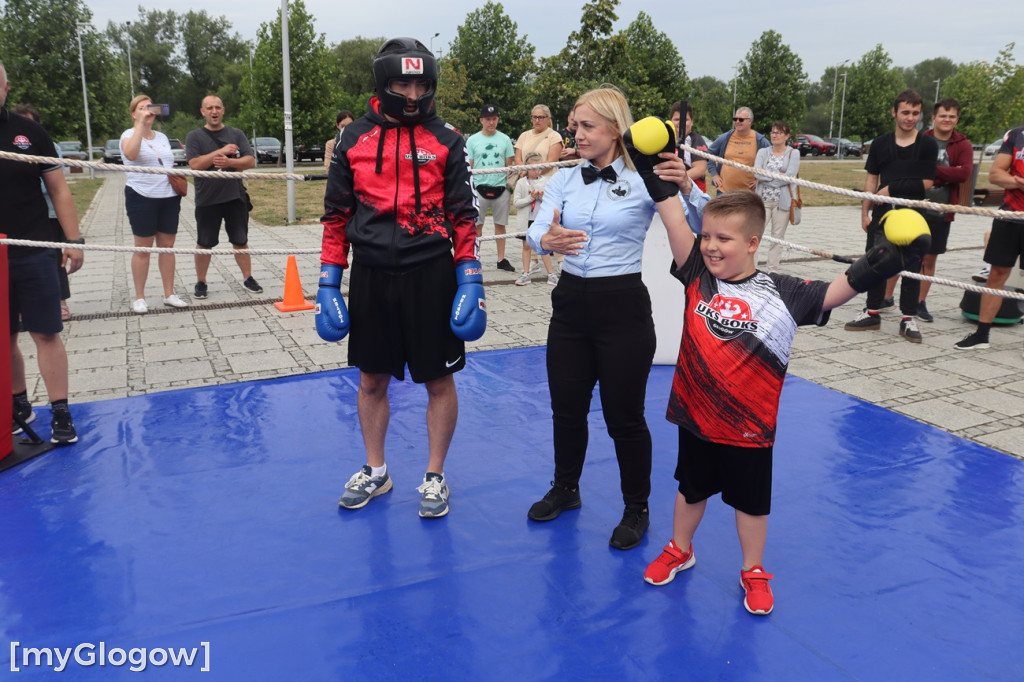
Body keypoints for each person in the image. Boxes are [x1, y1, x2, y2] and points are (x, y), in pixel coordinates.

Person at [642, 191, 930, 616]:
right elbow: (672, 220)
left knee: (751, 503)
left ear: (753, 243)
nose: (711, 246)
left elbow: (836, 291)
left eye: (724, 238)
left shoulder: (784, 291)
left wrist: (886, 261)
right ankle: (680, 549)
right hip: (697, 417)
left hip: (749, 426)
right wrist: (654, 169)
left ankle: (753, 569)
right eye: (707, 236)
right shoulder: (698, 275)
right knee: (690, 488)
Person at [525, 88, 708, 550]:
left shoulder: (646, 176)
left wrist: (688, 186)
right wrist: (547, 241)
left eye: (587, 126)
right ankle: (566, 488)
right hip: (569, 304)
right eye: (575, 124)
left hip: (621, 304)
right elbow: (535, 228)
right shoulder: (566, 178)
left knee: (623, 417)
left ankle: (636, 507)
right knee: (566, 408)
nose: (577, 133)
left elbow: (708, 225)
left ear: (615, 128)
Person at [317, 37, 482, 518]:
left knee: (438, 379)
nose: (411, 94)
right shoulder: (353, 140)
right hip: (371, 273)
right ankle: (376, 470)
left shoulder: (448, 139)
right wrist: (329, 280)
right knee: (371, 380)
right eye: (401, 83)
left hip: (430, 273)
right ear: (383, 84)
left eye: (420, 84)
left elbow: (464, 215)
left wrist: (470, 276)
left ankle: (434, 476)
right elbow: (334, 215)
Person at [1, 61, 84, 445]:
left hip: (33, 246)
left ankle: (61, 413)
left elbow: (59, 188)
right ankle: (19, 405)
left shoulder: (29, 132)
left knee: (46, 332)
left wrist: (73, 239)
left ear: (6, 86)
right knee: (4, 337)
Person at [844, 89, 937, 343]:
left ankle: (908, 318)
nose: (910, 118)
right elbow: (871, 178)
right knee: (875, 261)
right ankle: (872, 311)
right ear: (894, 112)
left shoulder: (927, 144)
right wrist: (865, 212)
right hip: (883, 213)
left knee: (911, 266)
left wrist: (893, 189)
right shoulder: (881, 143)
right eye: (905, 112)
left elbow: (927, 182)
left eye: (915, 113)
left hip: (913, 214)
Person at [185, 94, 262, 300]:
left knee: (240, 240)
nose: (214, 111)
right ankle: (201, 282)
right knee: (204, 243)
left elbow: (249, 161)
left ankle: (248, 278)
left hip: (234, 197)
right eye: (209, 108)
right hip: (207, 199)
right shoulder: (194, 136)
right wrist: (221, 152)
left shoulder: (236, 133)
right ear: (202, 112)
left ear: (223, 110)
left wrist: (229, 163)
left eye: (218, 107)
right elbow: (194, 164)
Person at [954, 124, 1024, 350]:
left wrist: (1013, 177)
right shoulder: (1016, 135)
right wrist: (1017, 181)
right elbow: (996, 174)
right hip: (1009, 217)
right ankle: (981, 335)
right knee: (996, 274)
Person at [120, 94, 189, 313]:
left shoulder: (161, 136)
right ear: (133, 113)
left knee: (167, 247)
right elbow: (131, 155)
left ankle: (169, 293)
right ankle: (140, 297)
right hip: (141, 196)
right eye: (141, 108)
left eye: (150, 107)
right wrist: (140, 125)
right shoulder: (128, 135)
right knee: (143, 249)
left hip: (168, 196)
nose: (147, 111)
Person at [13, 103, 72, 321]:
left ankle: (61, 301)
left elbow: (54, 183)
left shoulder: (48, 145)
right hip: (20, 218)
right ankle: (19, 307)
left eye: (29, 122)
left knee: (56, 259)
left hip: (49, 213)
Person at [918, 98, 973, 322]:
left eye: (952, 116)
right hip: (915, 206)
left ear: (957, 119)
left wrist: (932, 171)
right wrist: (948, 171)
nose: (947, 120)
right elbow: (915, 168)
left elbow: (964, 174)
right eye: (943, 115)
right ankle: (887, 296)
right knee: (902, 254)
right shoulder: (922, 140)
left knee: (929, 260)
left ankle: (920, 302)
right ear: (933, 118)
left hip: (942, 211)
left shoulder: (963, 145)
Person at [466, 104, 516, 272]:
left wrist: (509, 187)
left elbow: (509, 165)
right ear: (481, 120)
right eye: (488, 119)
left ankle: (501, 259)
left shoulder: (505, 139)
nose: (491, 122)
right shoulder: (472, 140)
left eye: (494, 119)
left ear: (498, 120)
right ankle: (475, 257)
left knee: (500, 225)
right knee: (477, 225)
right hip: (479, 186)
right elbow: (470, 164)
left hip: (501, 186)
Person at [754, 121, 800, 273]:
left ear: (787, 136)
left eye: (779, 132)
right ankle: (751, 269)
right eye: (773, 132)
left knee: (777, 238)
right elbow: (756, 173)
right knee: (755, 234)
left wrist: (767, 176)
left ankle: (771, 271)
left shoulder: (794, 153)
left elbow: (789, 177)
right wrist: (776, 177)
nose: (774, 135)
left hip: (782, 203)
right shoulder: (763, 152)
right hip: (762, 200)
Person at [513, 152, 557, 285]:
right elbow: (516, 203)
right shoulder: (521, 183)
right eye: (533, 168)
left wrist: (541, 196)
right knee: (526, 246)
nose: (536, 170)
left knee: (542, 246)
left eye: (539, 167)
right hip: (526, 220)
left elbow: (551, 201)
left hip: (540, 220)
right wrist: (531, 197)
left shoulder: (545, 181)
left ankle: (551, 274)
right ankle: (526, 273)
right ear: (526, 168)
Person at [707, 106, 769, 193]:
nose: (737, 122)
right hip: (724, 192)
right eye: (735, 119)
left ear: (750, 121)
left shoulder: (760, 140)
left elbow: (771, 161)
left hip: (748, 195)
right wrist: (714, 174)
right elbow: (709, 153)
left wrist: (760, 181)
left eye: (741, 120)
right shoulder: (725, 137)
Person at [514, 104, 563, 182]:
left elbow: (551, 162)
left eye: (540, 117)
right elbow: (517, 158)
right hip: (525, 182)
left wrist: (530, 172)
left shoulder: (555, 136)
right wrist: (524, 171)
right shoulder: (523, 135)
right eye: (534, 117)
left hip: (547, 181)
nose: (537, 120)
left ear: (548, 119)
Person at [670, 101, 708, 193]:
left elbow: (700, 169)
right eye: (676, 119)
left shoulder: (696, 140)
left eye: (685, 120)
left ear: (692, 122)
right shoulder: (667, 140)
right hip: (673, 193)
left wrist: (675, 180)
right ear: (671, 121)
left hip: (693, 193)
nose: (680, 123)